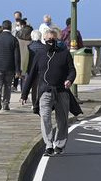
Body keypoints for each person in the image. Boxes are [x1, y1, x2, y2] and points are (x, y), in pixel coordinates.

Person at [21, 28, 76, 156]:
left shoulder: (64, 53)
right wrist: (24, 94)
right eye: (48, 40)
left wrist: (69, 80)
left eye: (53, 39)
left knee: (62, 119)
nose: (51, 42)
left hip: (62, 91)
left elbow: (72, 70)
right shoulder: (39, 54)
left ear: (57, 40)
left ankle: (59, 144)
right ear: (44, 40)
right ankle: (49, 144)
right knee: (45, 117)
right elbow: (31, 74)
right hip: (45, 91)